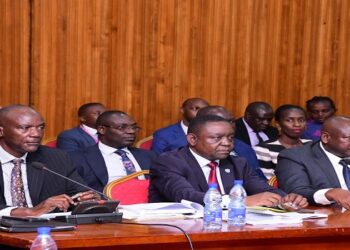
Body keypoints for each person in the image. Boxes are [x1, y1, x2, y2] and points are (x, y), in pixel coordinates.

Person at [149, 115, 308, 209]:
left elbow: (262, 189)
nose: (227, 143)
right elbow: (184, 196)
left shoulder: (238, 163)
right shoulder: (168, 162)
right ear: (192, 139)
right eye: (217, 138)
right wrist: (240, 201)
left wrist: (286, 198)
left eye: (230, 138)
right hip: (178, 233)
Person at [0, 105, 96, 217]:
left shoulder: (55, 157)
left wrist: (84, 199)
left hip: (47, 228)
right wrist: (29, 212)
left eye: (41, 127)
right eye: (25, 128)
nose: (36, 134)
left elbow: (79, 192)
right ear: (1, 131)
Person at [70, 110, 156, 192]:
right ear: (102, 129)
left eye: (134, 127)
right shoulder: (79, 158)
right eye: (121, 127)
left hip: (147, 204)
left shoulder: (149, 156)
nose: (131, 131)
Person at [276, 116, 350, 209]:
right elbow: (296, 192)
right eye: (348, 138)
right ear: (326, 137)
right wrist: (330, 193)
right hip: (328, 217)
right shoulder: (295, 157)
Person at [196, 105, 266, 180]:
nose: (229, 125)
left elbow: (258, 179)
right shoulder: (186, 151)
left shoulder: (244, 148)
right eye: (221, 121)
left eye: (232, 121)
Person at [254, 104, 310, 179]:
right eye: (289, 120)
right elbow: (268, 181)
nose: (297, 124)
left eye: (301, 120)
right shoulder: (265, 149)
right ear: (278, 125)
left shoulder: (311, 145)